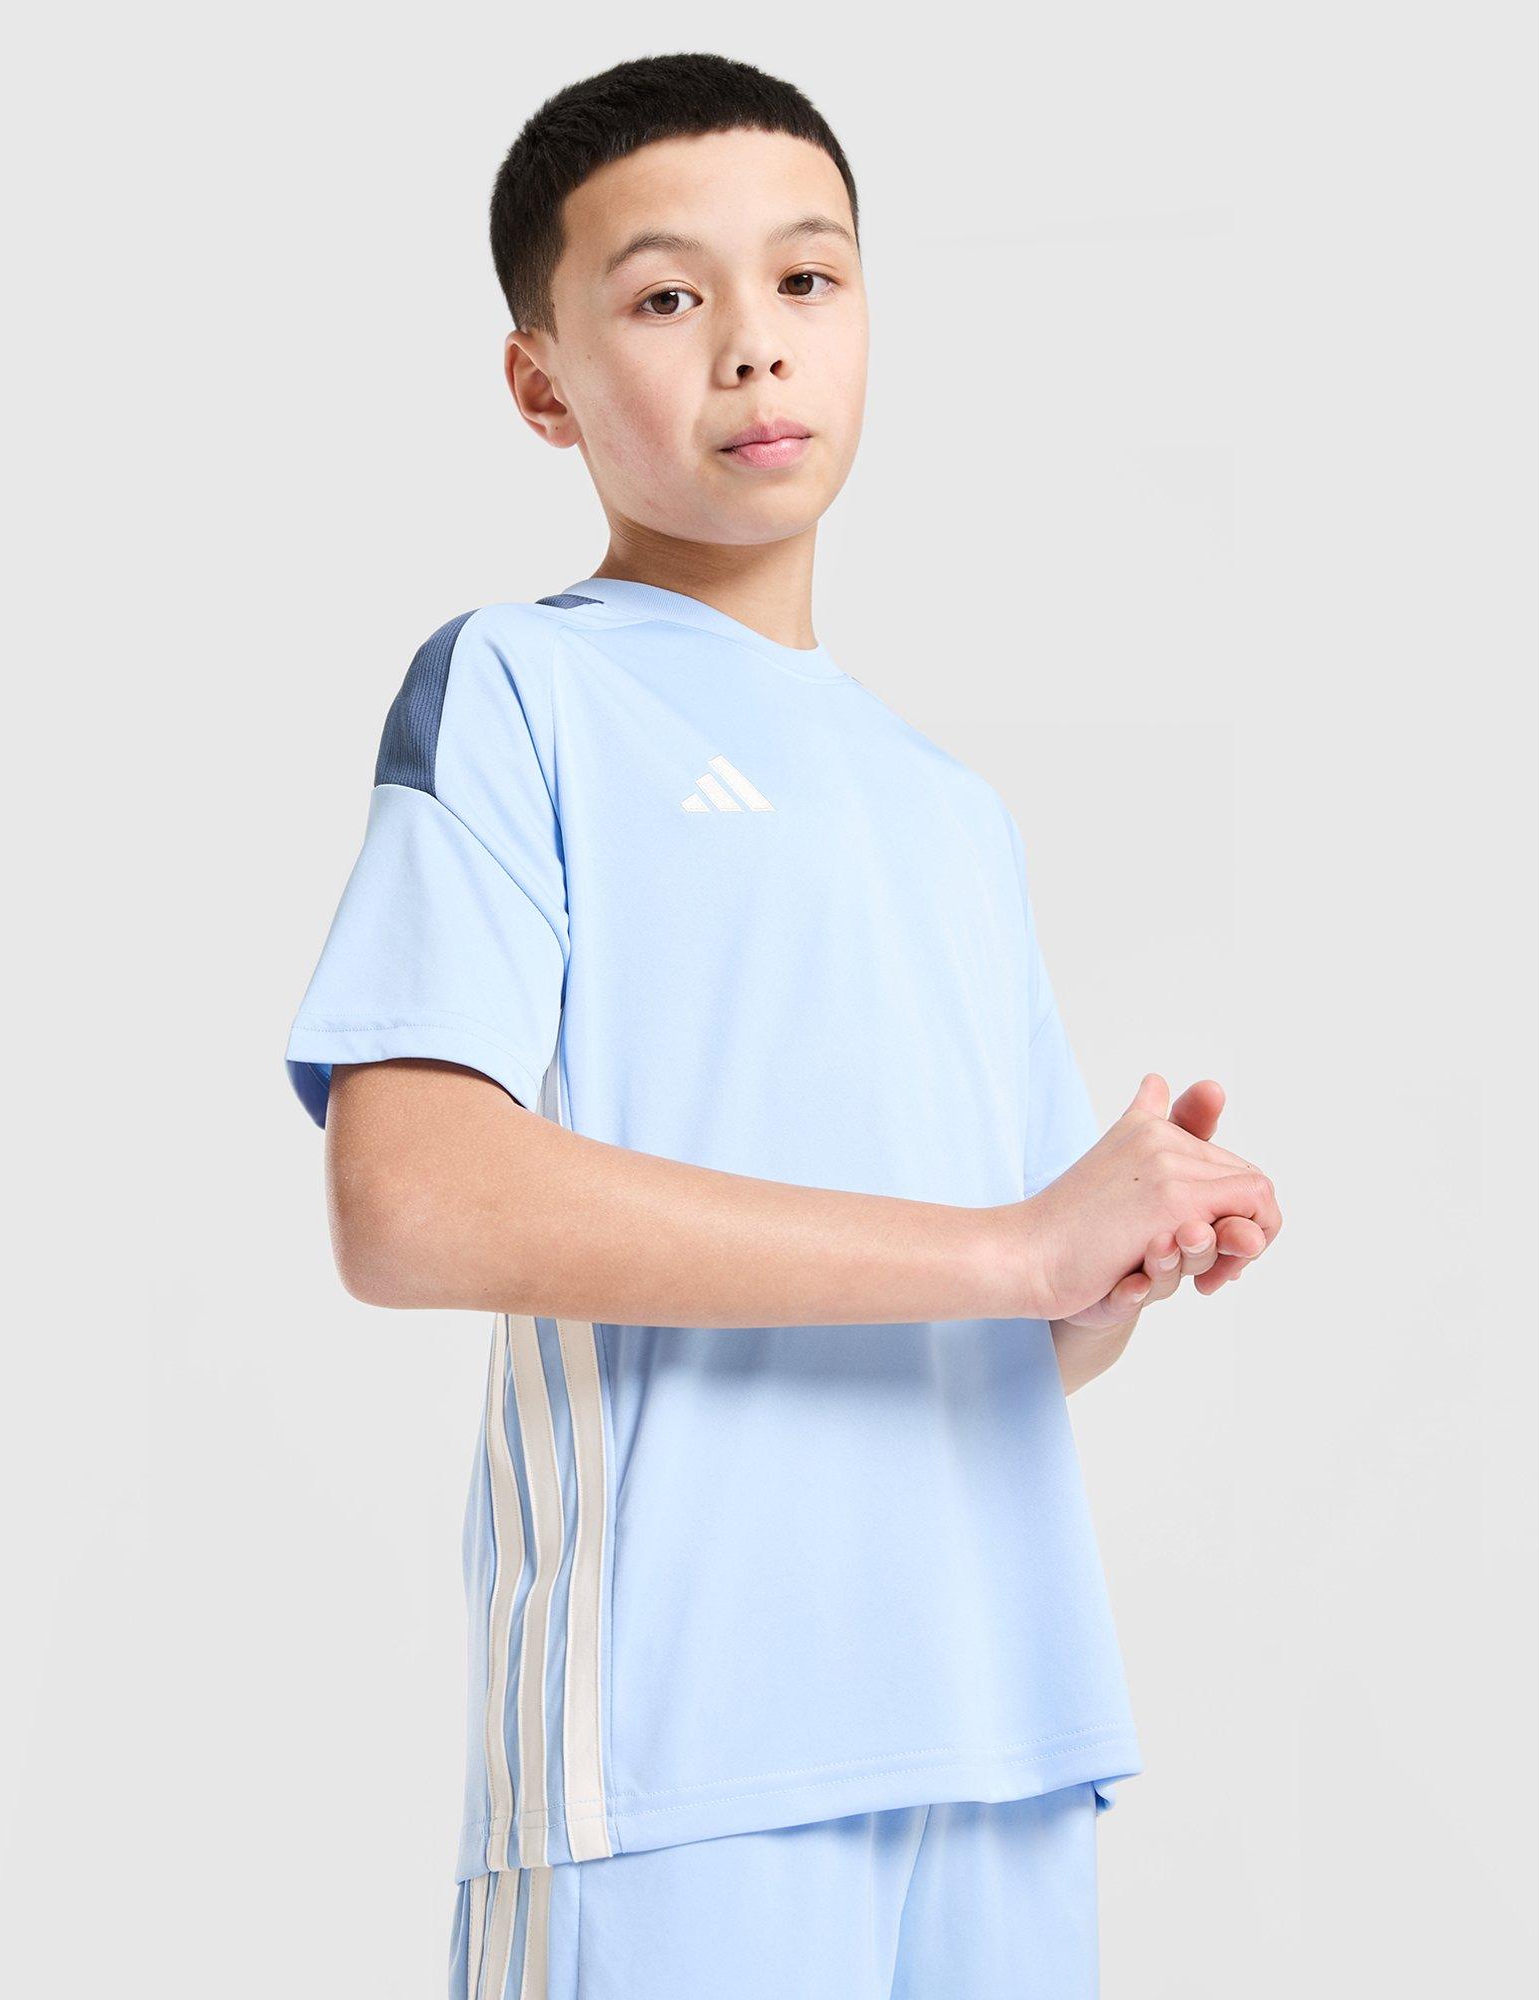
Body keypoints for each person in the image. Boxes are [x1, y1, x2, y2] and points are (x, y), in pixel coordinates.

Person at [283, 51, 1280, 2000]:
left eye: (808, 279)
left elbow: (995, 1319)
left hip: (1004, 1727)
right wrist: (1014, 1247)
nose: (755, 342)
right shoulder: (523, 689)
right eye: (668, 295)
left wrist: (1106, 1268)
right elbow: (406, 1198)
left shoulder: (946, 803)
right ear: (542, 384)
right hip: (689, 1746)